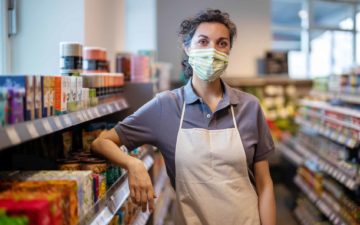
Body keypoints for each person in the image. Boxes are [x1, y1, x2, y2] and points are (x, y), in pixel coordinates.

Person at [92, 9, 276, 225]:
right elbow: (101, 142)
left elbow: (265, 185)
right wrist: (133, 164)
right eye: (203, 41)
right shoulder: (166, 106)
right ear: (187, 48)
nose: (212, 51)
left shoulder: (249, 107)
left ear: (229, 51)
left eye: (222, 43)